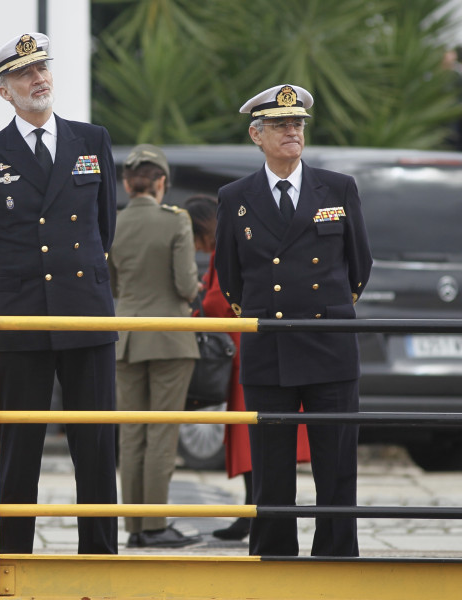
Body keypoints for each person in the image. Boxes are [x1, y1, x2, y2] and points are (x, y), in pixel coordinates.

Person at [0, 33, 118, 554]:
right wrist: (5, 294)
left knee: (94, 446)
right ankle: (11, 559)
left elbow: (104, 225)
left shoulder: (91, 141)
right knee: (18, 447)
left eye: (43, 68)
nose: (39, 79)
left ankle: (100, 557)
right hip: (23, 314)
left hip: (85, 313)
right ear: (6, 92)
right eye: (25, 74)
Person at [214, 84, 372, 557]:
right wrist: (266, 320)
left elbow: (358, 266)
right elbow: (230, 278)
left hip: (329, 343)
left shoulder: (338, 187)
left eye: (297, 123)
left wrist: (330, 317)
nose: (291, 131)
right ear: (256, 135)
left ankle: (337, 558)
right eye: (281, 125)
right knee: (272, 470)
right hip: (270, 346)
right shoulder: (235, 196)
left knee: (337, 465)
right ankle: (275, 557)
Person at [185, 194, 311, 542]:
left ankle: (254, 513)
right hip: (255, 345)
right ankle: (254, 511)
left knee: (249, 436)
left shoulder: (221, 250)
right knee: (258, 435)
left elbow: (216, 301)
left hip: (240, 351)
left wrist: (195, 313)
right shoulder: (242, 239)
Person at [108, 145, 201, 549]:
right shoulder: (176, 221)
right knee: (161, 433)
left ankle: (134, 528)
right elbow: (185, 284)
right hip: (168, 336)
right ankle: (155, 524)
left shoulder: (113, 223)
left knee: (131, 435)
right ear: (160, 182)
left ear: (128, 184)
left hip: (126, 336)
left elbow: (111, 285)